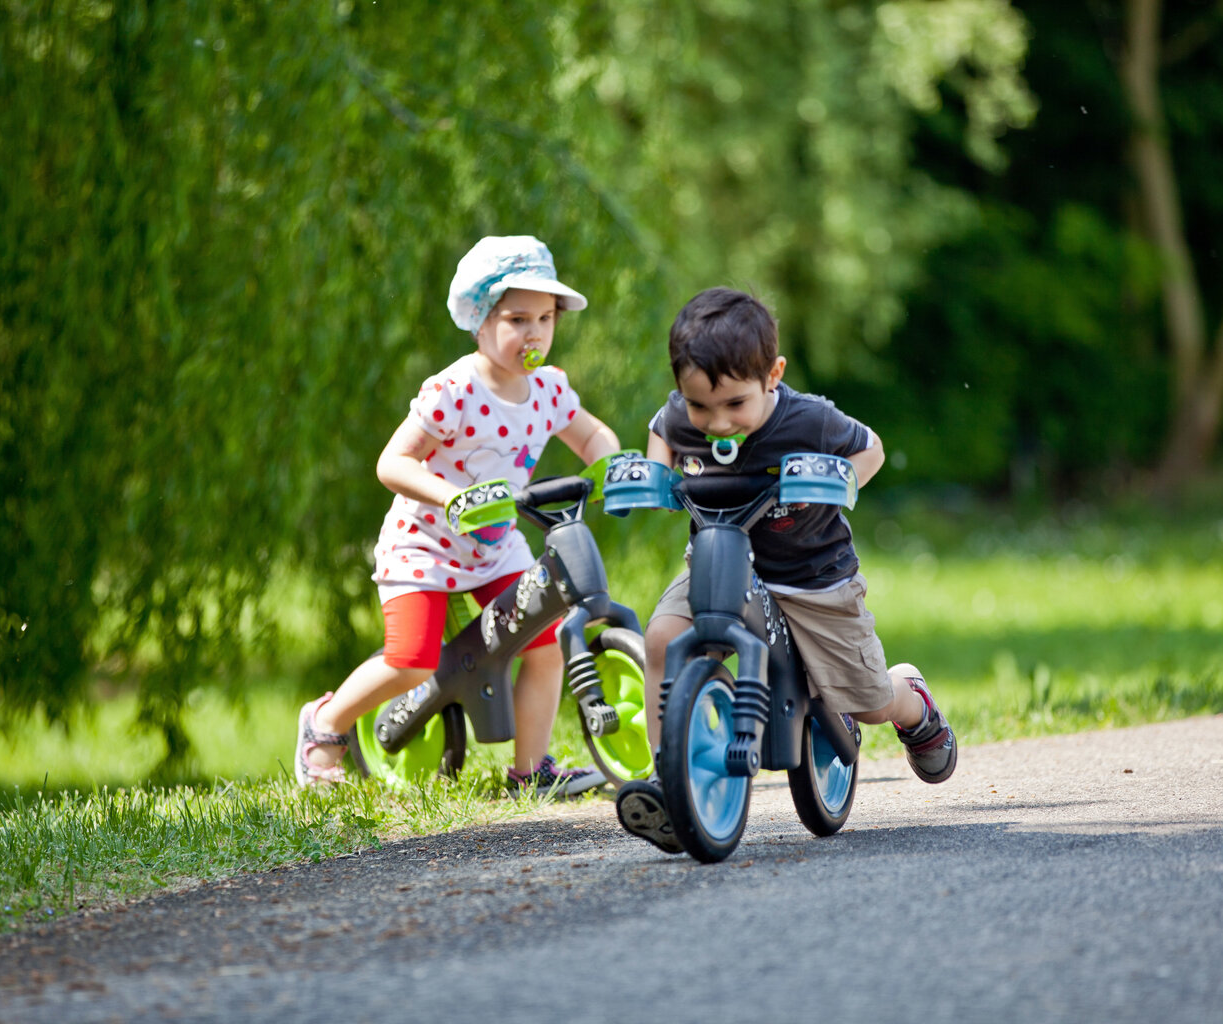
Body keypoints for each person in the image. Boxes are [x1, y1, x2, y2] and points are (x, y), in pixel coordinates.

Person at [615, 287, 957, 851]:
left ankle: (910, 697)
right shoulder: (682, 416)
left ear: (772, 375)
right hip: (717, 561)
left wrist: (836, 483)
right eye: (701, 406)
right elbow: (663, 429)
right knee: (662, 638)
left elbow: (869, 448)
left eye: (734, 405)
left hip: (814, 580)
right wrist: (658, 475)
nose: (716, 422)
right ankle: (670, 778)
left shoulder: (810, 421)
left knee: (867, 701)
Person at [295, 235, 621, 796]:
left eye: (546, 318)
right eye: (517, 318)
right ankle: (323, 726)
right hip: (422, 544)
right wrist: (450, 496)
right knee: (411, 661)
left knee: (543, 644)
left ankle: (531, 772)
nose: (534, 333)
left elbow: (590, 433)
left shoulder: (547, 389)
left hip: (494, 545)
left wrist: (609, 466)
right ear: (480, 320)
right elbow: (392, 462)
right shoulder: (455, 389)